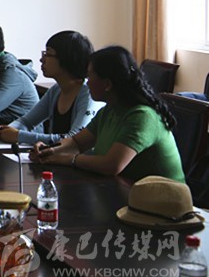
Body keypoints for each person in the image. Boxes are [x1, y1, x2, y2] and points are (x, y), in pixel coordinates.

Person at [31, 46, 185, 182]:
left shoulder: (142, 116)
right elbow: (77, 143)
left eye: (90, 76)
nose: (87, 82)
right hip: (128, 191)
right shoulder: (110, 110)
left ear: (107, 84)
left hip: (163, 201)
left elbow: (112, 165)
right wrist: (49, 150)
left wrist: (69, 159)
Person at [0, 30, 101, 145]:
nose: (41, 59)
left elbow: (73, 139)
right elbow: (27, 121)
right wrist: (5, 130)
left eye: (48, 54)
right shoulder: (56, 90)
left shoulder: (88, 94)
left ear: (67, 59)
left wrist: (19, 136)